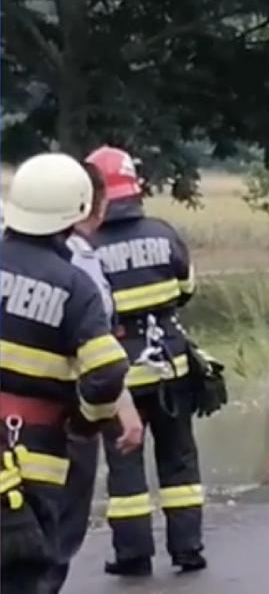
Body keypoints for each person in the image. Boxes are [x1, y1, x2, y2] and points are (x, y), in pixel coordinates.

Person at [0, 153, 138, 592]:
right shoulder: (74, 286)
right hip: (33, 460)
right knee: (27, 572)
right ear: (78, 210)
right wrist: (86, 421)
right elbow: (107, 368)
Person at [85, 145, 207, 576]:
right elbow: (186, 289)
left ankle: (133, 555)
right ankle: (188, 548)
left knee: (124, 467)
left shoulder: (85, 248)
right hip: (170, 365)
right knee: (180, 460)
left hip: (119, 376)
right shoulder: (163, 232)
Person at [46, 163, 146, 593]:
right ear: (96, 205)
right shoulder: (79, 267)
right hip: (59, 424)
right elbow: (101, 360)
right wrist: (116, 414)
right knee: (54, 536)